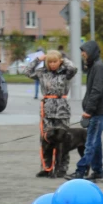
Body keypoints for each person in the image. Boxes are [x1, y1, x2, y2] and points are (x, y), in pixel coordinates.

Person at [24, 49, 77, 178]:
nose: (53, 64)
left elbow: (73, 68)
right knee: (46, 140)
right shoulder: (42, 73)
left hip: (62, 110)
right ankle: (47, 167)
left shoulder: (66, 73)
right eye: (50, 62)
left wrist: (63, 59)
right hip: (47, 109)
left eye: (55, 61)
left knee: (63, 140)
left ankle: (61, 168)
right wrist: (38, 60)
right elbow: (26, 71)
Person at [64, 40, 103, 183]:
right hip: (97, 111)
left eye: (84, 52)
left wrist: (89, 111)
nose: (83, 54)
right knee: (96, 143)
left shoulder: (98, 67)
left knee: (90, 144)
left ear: (91, 52)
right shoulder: (95, 66)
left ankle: (80, 171)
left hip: (96, 112)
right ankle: (98, 171)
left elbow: (96, 91)